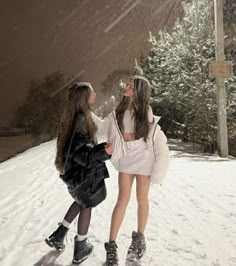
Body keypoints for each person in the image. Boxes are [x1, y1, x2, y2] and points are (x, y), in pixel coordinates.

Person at [101, 75, 170, 265]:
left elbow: (151, 135)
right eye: (127, 85)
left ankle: (139, 240)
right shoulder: (119, 109)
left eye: (131, 86)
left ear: (138, 91)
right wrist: (81, 111)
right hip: (126, 156)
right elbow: (102, 127)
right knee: (122, 200)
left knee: (141, 199)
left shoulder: (145, 110)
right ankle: (111, 245)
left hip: (144, 156)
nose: (126, 87)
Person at [45, 82, 112, 265]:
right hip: (82, 173)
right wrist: (104, 151)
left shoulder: (77, 116)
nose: (95, 93)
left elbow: (79, 146)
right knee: (86, 204)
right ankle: (80, 247)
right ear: (84, 97)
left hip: (75, 172)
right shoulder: (81, 118)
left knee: (81, 200)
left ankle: (59, 235)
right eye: (92, 92)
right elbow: (81, 151)